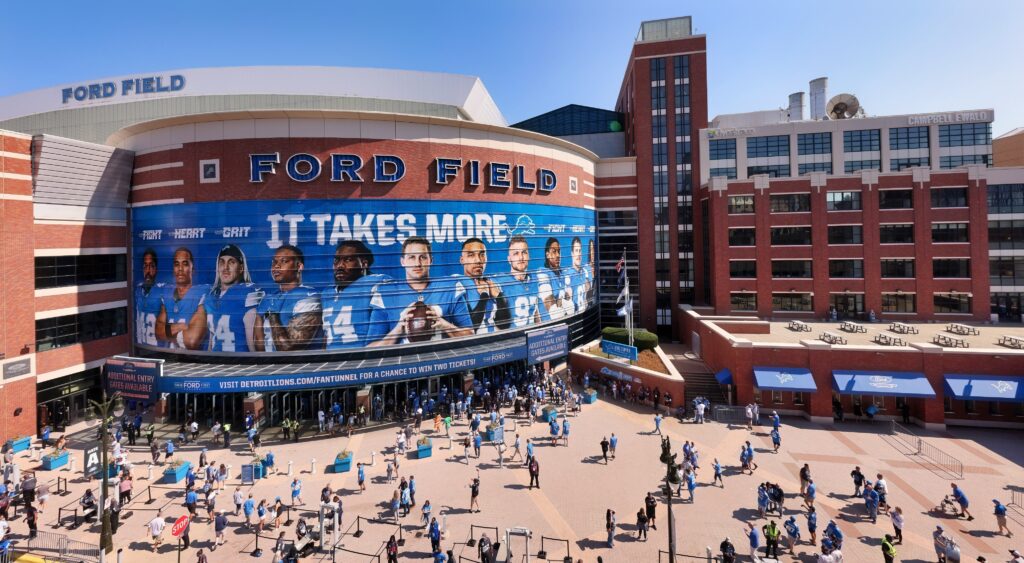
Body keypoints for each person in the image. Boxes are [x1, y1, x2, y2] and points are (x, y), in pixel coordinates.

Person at [374, 237, 473, 345]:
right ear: (403, 261)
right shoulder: (386, 293)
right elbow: (370, 348)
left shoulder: (450, 288)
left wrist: (444, 325)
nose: (417, 263)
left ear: (431, 260)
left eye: (423, 257)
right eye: (412, 257)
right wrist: (399, 328)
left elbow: (470, 335)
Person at [253, 244, 323, 351]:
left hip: (298, 366)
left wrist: (272, 314)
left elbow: (289, 349)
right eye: (274, 262)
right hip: (270, 366)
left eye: (284, 261)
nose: (276, 266)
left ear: (299, 266)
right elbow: (258, 341)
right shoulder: (268, 298)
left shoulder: (309, 297)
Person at [155, 247, 209, 350]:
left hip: (195, 361)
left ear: (192, 270)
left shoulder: (201, 295)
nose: (180, 269)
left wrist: (168, 332)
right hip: (170, 359)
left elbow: (192, 341)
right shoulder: (167, 295)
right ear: (173, 270)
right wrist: (181, 326)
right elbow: (158, 333)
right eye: (176, 264)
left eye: (185, 264)